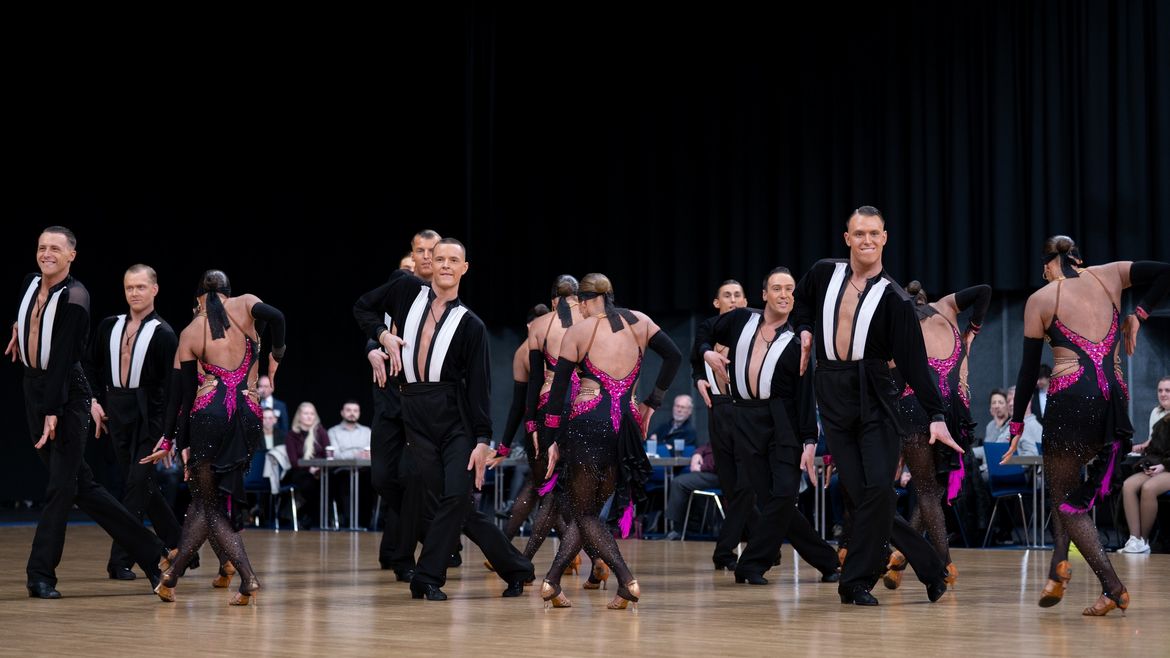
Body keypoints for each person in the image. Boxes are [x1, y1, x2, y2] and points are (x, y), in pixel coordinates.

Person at [791, 206, 961, 606]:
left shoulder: (896, 299)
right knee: (864, 491)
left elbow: (916, 365)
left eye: (874, 233)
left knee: (878, 489)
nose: (867, 240)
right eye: (859, 233)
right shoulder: (821, 273)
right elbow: (800, 306)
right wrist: (803, 330)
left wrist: (936, 415)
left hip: (876, 395)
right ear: (847, 238)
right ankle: (930, 566)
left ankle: (854, 581)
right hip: (831, 389)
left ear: (885, 238)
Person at [354, 237, 534, 601]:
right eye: (440, 259)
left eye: (455, 260)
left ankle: (427, 577)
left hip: (455, 419)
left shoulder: (471, 325)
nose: (447, 265)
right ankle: (517, 568)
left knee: (455, 497)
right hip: (414, 413)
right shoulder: (405, 290)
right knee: (454, 505)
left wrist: (482, 440)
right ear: (429, 264)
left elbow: (479, 388)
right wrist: (382, 335)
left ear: (464, 268)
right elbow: (362, 308)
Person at [1003, 236, 1170, 615]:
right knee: (1071, 495)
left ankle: (1112, 587)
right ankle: (1058, 569)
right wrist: (1138, 316)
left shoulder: (1042, 299)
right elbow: (1165, 272)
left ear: (1049, 265)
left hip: (1072, 401)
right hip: (1115, 402)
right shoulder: (1109, 275)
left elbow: (1029, 371)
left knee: (1064, 501)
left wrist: (1016, 427)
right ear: (1078, 259)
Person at [8, 227, 168, 599]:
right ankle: (153, 552)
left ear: (71, 256)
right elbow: (29, 318)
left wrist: (53, 410)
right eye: (41, 247)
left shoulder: (76, 298)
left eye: (55, 249)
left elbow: (64, 359)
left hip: (66, 397)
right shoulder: (30, 282)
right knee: (84, 488)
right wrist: (18, 328)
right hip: (33, 389)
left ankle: (40, 574)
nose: (46, 254)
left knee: (60, 489)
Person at [540, 273, 683, 610]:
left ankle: (626, 579)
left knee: (585, 513)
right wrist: (653, 402)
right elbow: (674, 357)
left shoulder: (580, 331)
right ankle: (552, 581)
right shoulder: (641, 322)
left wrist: (550, 439)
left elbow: (559, 390)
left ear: (589, 299)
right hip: (627, 426)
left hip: (588, 423)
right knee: (589, 513)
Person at [147, 269, 285, 606]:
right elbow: (278, 317)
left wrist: (170, 440)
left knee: (208, 504)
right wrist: (275, 357)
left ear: (199, 298)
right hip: (250, 416)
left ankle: (247, 577)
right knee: (206, 503)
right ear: (227, 290)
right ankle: (172, 577)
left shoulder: (191, 331)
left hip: (210, 417)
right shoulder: (248, 303)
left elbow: (180, 397)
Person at [699, 267, 840, 584]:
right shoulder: (740, 321)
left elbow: (805, 397)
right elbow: (704, 333)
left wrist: (808, 441)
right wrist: (707, 355)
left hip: (783, 424)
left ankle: (751, 563)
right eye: (777, 288)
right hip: (745, 419)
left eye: (790, 289)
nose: (784, 294)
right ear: (764, 294)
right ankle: (828, 562)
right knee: (773, 502)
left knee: (783, 496)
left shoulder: (797, 342)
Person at [886, 279, 990, 588]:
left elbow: (894, 383)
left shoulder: (898, 329)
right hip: (954, 412)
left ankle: (919, 560)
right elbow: (983, 291)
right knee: (935, 490)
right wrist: (973, 329)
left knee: (929, 491)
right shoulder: (947, 307)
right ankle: (937, 563)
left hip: (915, 410)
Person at [89, 264, 183, 582]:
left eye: (141, 287)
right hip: (117, 412)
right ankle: (180, 547)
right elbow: (90, 366)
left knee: (135, 485)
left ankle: (120, 560)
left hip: (150, 416)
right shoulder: (109, 326)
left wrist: (169, 435)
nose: (134, 293)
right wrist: (94, 402)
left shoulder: (164, 334)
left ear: (154, 289)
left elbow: (173, 390)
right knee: (142, 486)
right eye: (129, 287)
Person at [365, 228, 444, 578]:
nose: (422, 259)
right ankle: (430, 530)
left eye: (431, 251)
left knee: (413, 478)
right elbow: (368, 325)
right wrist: (372, 349)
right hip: (387, 397)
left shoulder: (441, 296)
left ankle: (403, 556)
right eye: (417, 253)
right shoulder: (396, 292)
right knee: (383, 478)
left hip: (422, 402)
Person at [691, 279, 753, 569]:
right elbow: (695, 362)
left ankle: (725, 551)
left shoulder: (754, 330)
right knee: (731, 486)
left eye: (738, 295)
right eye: (726, 295)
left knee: (746, 485)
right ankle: (761, 544)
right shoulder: (707, 329)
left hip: (746, 412)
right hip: (717, 411)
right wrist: (698, 378)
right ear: (717, 303)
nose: (733, 299)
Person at [1118, 416, 1170, 553]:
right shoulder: (1160, 417)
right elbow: (1155, 448)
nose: (1163, 394)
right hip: (1159, 464)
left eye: (1167, 392)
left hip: (1167, 466)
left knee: (1149, 488)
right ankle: (1135, 539)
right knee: (1128, 485)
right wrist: (1148, 460)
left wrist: (1164, 466)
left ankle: (1144, 540)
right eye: (1160, 392)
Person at [327, 400, 373, 528]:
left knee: (373, 481)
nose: (352, 413)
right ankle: (348, 522)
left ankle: (366, 523)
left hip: (364, 470)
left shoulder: (367, 431)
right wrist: (357, 455)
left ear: (359, 413)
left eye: (355, 410)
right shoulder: (333, 431)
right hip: (342, 470)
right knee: (344, 482)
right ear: (342, 413)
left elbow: (373, 451)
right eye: (348, 410)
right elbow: (334, 455)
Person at [284, 402, 330, 529]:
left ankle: (318, 518)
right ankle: (310, 518)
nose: (309, 416)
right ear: (299, 416)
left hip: (320, 471)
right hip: (300, 472)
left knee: (330, 483)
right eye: (306, 413)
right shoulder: (291, 435)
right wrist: (309, 468)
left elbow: (327, 454)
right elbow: (294, 461)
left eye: (312, 414)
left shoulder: (321, 432)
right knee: (310, 484)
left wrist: (317, 467)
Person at [1134, 376, 1170, 451]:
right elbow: (1152, 441)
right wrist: (1141, 447)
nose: (1163, 394)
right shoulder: (1155, 412)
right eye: (1160, 391)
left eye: (1167, 390)